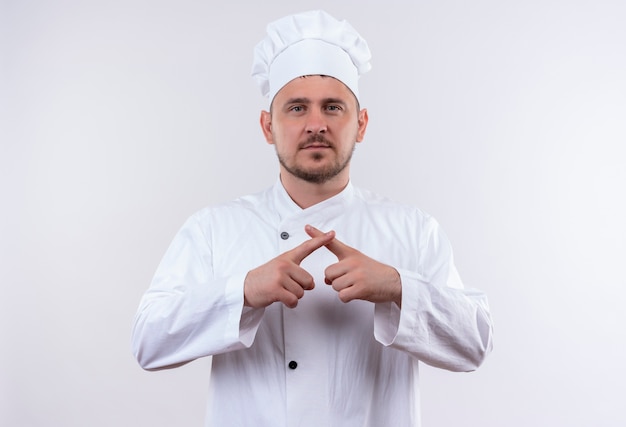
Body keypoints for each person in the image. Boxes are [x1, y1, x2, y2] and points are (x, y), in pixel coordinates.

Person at [131, 9, 493, 427]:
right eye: (297, 108)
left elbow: (475, 344)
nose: (316, 124)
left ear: (361, 124)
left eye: (333, 107)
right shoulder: (213, 228)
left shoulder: (412, 229)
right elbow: (148, 343)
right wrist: (243, 291)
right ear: (268, 126)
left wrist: (397, 286)